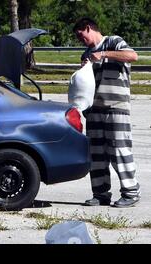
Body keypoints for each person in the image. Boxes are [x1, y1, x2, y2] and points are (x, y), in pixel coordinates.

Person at [73, 18, 140, 207]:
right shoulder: (85, 53)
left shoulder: (114, 42)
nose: (80, 40)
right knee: (96, 154)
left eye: (80, 35)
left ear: (88, 28)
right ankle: (101, 193)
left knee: (119, 151)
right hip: (94, 110)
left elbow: (132, 56)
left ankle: (131, 192)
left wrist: (102, 55)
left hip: (116, 107)